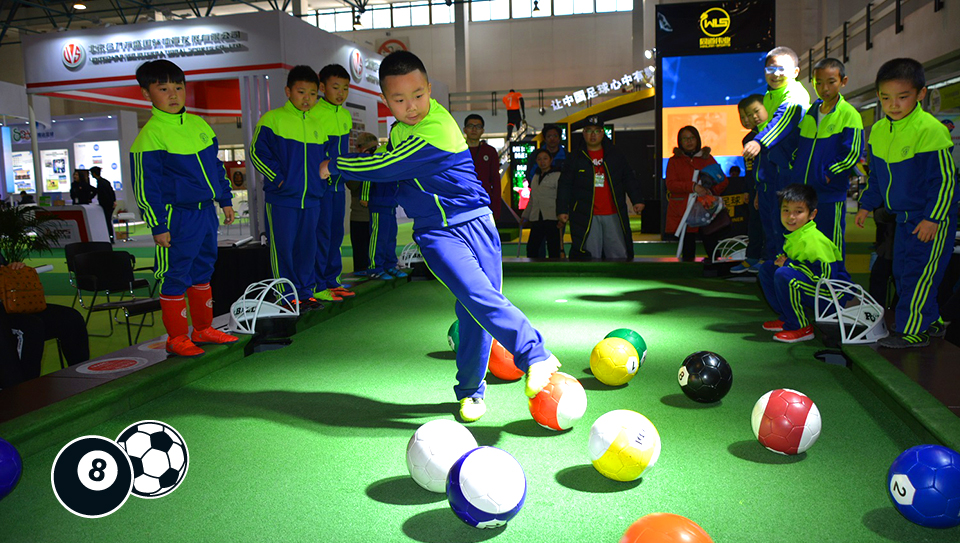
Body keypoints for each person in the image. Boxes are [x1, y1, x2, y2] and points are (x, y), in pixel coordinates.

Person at [320, 51, 560, 423]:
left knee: (474, 311)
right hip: (437, 233)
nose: (411, 106)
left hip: (478, 223)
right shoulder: (399, 132)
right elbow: (394, 165)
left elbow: (388, 166)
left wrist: (335, 163)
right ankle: (535, 354)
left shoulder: (437, 126)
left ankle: (470, 392)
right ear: (386, 101)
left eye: (418, 95)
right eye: (399, 100)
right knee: (477, 296)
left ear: (430, 90)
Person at [130, 59, 239, 357]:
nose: (174, 94)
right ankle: (176, 337)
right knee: (175, 274)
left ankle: (202, 329)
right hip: (175, 215)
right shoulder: (149, 136)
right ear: (146, 93)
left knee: (203, 270)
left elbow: (215, 167)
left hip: (205, 213)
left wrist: (225, 199)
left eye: (178, 87)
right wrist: (157, 225)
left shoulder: (198, 124)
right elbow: (145, 186)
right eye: (163, 88)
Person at [855, 58, 958, 349]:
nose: (894, 105)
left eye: (903, 97)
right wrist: (866, 204)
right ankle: (932, 320)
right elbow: (876, 177)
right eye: (886, 98)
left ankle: (913, 331)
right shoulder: (877, 130)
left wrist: (933, 218)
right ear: (878, 96)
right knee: (902, 271)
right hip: (902, 218)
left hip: (930, 219)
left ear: (921, 94)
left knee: (918, 274)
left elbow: (945, 181)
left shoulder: (930, 129)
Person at [250, 65, 328, 309]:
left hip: (312, 200)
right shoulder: (272, 120)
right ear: (288, 91)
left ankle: (305, 293)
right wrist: (280, 180)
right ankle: (285, 295)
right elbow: (256, 154)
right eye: (301, 92)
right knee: (283, 249)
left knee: (307, 249)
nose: (307, 99)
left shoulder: (318, 124)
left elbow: (325, 160)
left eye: (313, 94)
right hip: (283, 199)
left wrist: (320, 184)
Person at [758, 184, 852, 343]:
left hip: (832, 298)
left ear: (812, 214)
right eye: (786, 210)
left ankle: (800, 326)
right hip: (815, 289)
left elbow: (826, 279)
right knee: (768, 268)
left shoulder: (814, 240)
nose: (791, 217)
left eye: (798, 211)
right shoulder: (796, 234)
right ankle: (787, 317)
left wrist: (789, 264)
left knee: (784, 275)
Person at [792, 58, 864, 258]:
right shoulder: (809, 114)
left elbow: (852, 153)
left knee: (831, 242)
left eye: (831, 82)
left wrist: (827, 175)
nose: (824, 88)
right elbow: (798, 149)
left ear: (843, 81)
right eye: (818, 82)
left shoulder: (849, 114)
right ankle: (812, 283)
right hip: (804, 193)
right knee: (807, 240)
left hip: (829, 194)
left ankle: (836, 283)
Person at [742, 46, 810, 261]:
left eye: (782, 68)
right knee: (772, 228)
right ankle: (773, 273)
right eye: (771, 69)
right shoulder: (770, 96)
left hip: (791, 176)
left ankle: (790, 277)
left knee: (787, 230)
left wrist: (758, 142)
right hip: (772, 175)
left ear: (795, 72)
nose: (776, 74)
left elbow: (783, 120)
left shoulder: (795, 94)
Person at [556, 116, 645, 261]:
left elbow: (628, 177)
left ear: (603, 133)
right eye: (589, 131)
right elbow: (564, 184)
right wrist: (562, 209)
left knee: (619, 255)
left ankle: (619, 282)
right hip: (586, 215)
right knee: (590, 255)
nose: (593, 135)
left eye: (597, 131)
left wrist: (637, 200)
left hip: (613, 212)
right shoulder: (575, 157)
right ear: (583, 133)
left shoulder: (615, 155)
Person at [0, 257, 90, 388]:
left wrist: (13, 267)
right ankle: (23, 390)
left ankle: (82, 379)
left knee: (70, 318)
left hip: (11, 302)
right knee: (31, 327)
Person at [312, 64, 356, 303]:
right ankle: (319, 283)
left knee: (336, 234)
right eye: (335, 87)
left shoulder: (345, 114)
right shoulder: (316, 113)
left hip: (339, 185)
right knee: (322, 234)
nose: (341, 92)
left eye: (345, 88)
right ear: (322, 87)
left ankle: (332, 280)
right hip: (322, 186)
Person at [664, 126, 729, 263]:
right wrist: (692, 187)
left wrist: (710, 191)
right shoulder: (674, 161)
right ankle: (687, 274)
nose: (689, 141)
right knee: (687, 246)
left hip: (705, 208)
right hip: (683, 209)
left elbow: (722, 180)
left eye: (692, 137)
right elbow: (671, 184)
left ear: (697, 139)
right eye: (684, 138)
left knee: (710, 241)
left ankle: (716, 269)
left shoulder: (707, 158)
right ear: (679, 142)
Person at [361, 142, 407, 280]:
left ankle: (390, 265)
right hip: (378, 201)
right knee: (378, 237)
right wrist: (364, 195)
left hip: (390, 203)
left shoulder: (397, 153)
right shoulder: (380, 153)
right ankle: (375, 268)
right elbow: (368, 175)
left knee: (391, 236)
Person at [730, 106, 764, 274]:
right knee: (754, 224)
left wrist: (759, 189)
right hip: (752, 189)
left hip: (766, 188)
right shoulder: (747, 139)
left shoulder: (770, 134)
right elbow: (749, 168)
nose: (747, 119)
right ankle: (752, 258)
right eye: (742, 116)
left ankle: (766, 259)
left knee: (768, 225)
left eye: (751, 114)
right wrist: (746, 190)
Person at [346, 133, 379, 274]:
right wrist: (362, 164)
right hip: (359, 216)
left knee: (376, 249)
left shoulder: (380, 161)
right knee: (360, 252)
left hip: (376, 213)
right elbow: (352, 185)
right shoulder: (354, 163)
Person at [521, 148, 562, 258]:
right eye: (539, 159)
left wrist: (562, 216)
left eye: (545, 159)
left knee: (553, 248)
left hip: (552, 217)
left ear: (551, 160)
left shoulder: (557, 175)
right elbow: (532, 199)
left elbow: (561, 197)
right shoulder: (535, 176)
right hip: (536, 217)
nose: (542, 162)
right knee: (532, 248)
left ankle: (555, 272)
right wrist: (525, 216)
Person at [463, 114, 501, 221]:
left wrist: (496, 210)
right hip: (464, 200)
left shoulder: (490, 151)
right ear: (465, 130)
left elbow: (496, 182)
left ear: (483, 130)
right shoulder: (457, 151)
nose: (474, 129)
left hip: (484, 201)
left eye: (478, 126)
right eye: (470, 126)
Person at [90, 166, 117, 243]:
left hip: (106, 205)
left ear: (94, 174)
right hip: (109, 204)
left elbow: (103, 194)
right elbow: (112, 192)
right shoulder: (105, 181)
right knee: (108, 221)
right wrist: (114, 201)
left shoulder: (101, 183)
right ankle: (110, 237)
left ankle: (110, 238)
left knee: (107, 221)